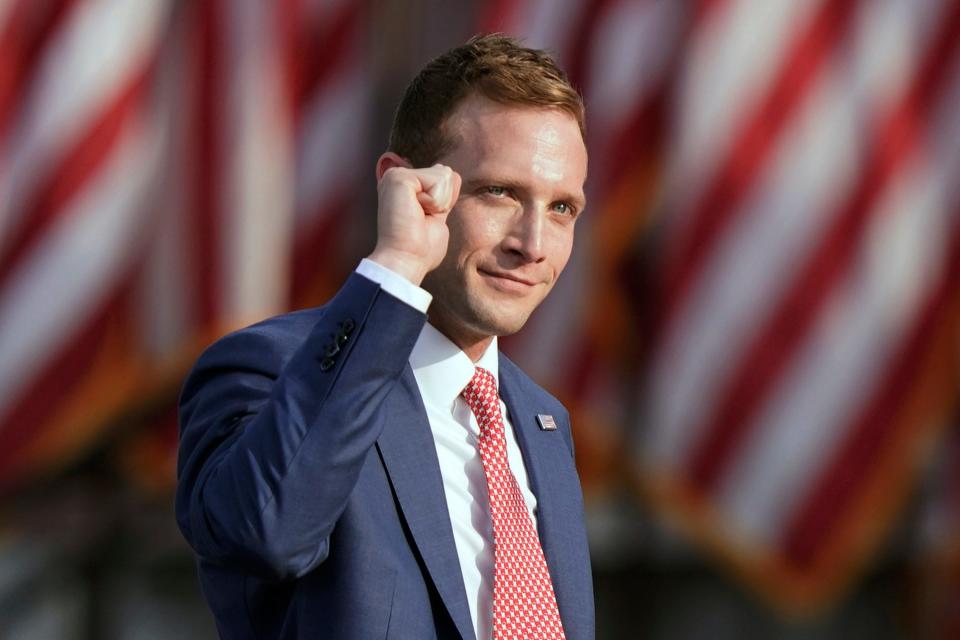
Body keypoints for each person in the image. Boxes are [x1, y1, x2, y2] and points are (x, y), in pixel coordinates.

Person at [175, 34, 593, 640]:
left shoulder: (541, 421)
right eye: (498, 192)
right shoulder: (269, 367)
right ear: (403, 184)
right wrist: (397, 262)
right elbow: (266, 531)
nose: (532, 244)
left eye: (561, 209)